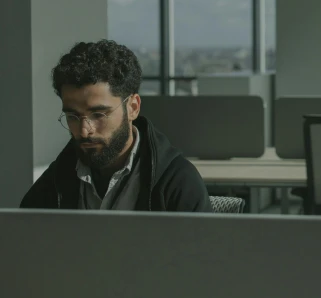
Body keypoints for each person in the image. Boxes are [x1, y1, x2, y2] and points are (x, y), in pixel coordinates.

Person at [21, 39, 211, 212]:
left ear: (133, 107)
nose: (84, 130)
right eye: (73, 116)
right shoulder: (55, 181)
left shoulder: (177, 182)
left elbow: (203, 249)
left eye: (99, 114)